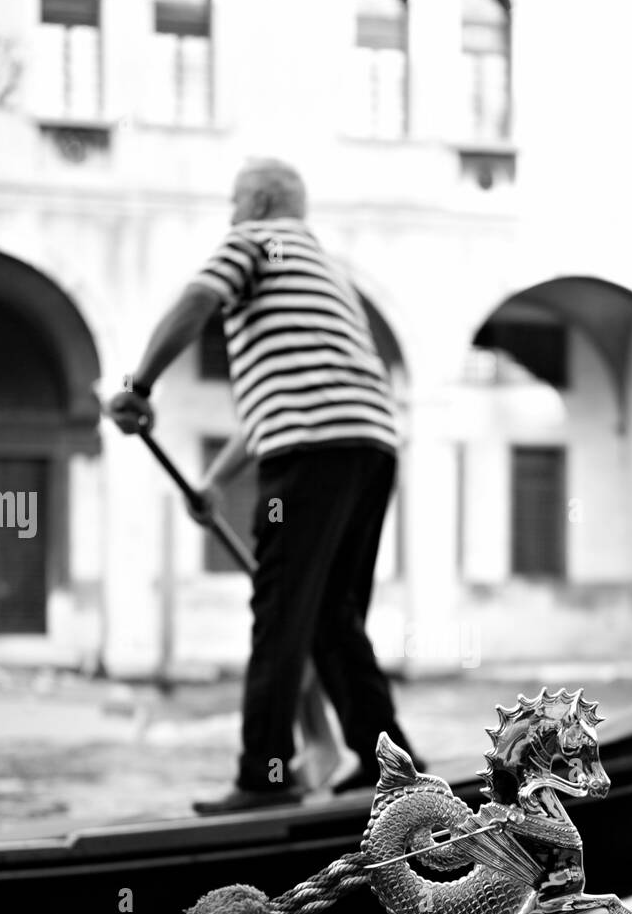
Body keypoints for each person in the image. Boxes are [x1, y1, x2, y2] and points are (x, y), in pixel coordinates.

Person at [108, 158, 423, 813]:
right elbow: (281, 408)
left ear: (256, 203)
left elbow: (198, 299)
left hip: (311, 454)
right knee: (333, 617)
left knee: (282, 614)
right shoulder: (325, 275)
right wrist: (216, 482)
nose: (229, 215)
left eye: (233, 203)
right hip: (370, 448)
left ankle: (267, 777)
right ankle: (387, 762)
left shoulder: (253, 241)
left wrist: (139, 386)